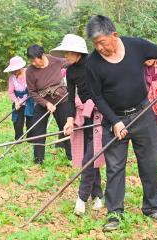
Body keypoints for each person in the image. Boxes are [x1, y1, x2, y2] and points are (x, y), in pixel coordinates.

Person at [85, 15, 157, 231]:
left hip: (142, 113)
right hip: (114, 119)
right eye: (95, 44)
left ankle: (152, 207)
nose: (99, 48)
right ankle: (114, 213)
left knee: (148, 163)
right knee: (115, 167)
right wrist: (115, 121)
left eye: (102, 42)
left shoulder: (135, 46)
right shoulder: (92, 63)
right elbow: (97, 97)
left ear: (114, 35)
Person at [50, 34, 104, 215]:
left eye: (67, 51)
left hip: (100, 115)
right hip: (83, 117)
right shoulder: (71, 71)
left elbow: (105, 90)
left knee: (90, 157)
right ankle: (98, 195)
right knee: (87, 157)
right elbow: (70, 99)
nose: (65, 55)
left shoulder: (95, 64)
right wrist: (70, 120)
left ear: (76, 51)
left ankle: (81, 198)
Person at [26, 44, 72, 164]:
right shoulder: (30, 71)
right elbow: (32, 92)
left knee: (65, 127)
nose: (33, 64)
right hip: (42, 102)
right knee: (38, 130)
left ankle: (71, 156)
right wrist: (46, 103)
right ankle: (38, 160)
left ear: (41, 56)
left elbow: (71, 61)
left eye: (35, 61)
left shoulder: (55, 60)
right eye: (31, 61)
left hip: (61, 99)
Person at [4, 56, 34, 140]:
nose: (13, 72)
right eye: (12, 70)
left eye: (15, 70)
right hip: (18, 102)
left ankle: (30, 138)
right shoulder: (12, 78)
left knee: (30, 120)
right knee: (17, 122)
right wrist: (16, 102)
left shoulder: (29, 73)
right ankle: (19, 139)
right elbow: (11, 92)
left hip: (30, 101)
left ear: (21, 67)